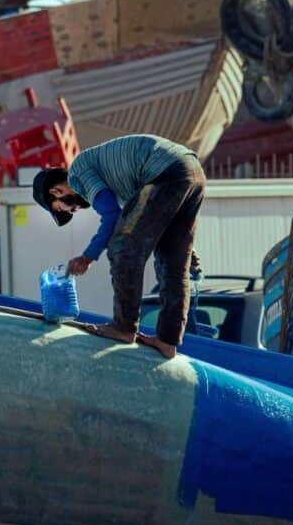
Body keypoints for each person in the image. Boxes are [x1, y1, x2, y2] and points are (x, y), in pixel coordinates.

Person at [32, 134, 206, 359]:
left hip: (164, 172)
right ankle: (167, 341)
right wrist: (188, 252)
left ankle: (123, 327)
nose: (72, 211)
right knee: (173, 262)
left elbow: (111, 215)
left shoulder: (78, 173)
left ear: (56, 192)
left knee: (122, 246)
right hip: (192, 171)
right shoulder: (119, 182)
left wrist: (87, 257)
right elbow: (159, 218)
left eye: (63, 208)